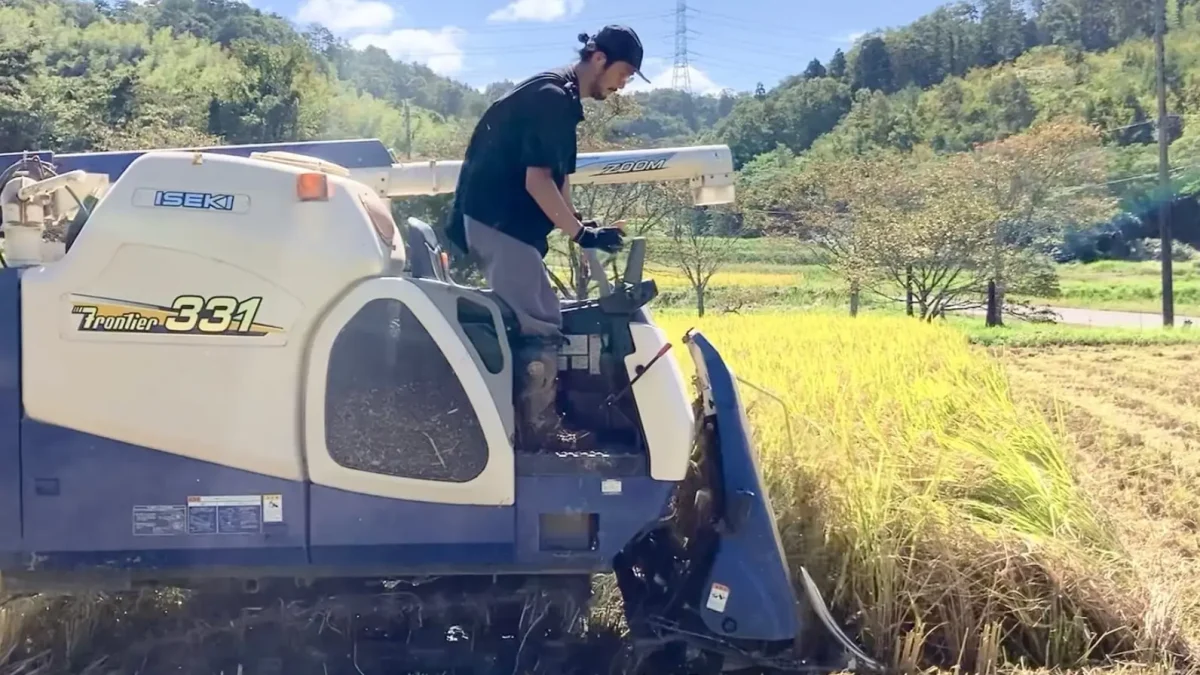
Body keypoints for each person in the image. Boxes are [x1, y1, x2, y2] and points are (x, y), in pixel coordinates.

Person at [446, 25, 650, 453]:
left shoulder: (560, 97)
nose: (623, 84)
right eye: (624, 72)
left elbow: (558, 180)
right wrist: (580, 234)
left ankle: (533, 423)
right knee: (539, 319)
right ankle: (537, 432)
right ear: (598, 59)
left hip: (498, 220)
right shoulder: (552, 100)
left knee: (542, 312)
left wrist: (579, 224)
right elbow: (537, 181)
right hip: (498, 222)